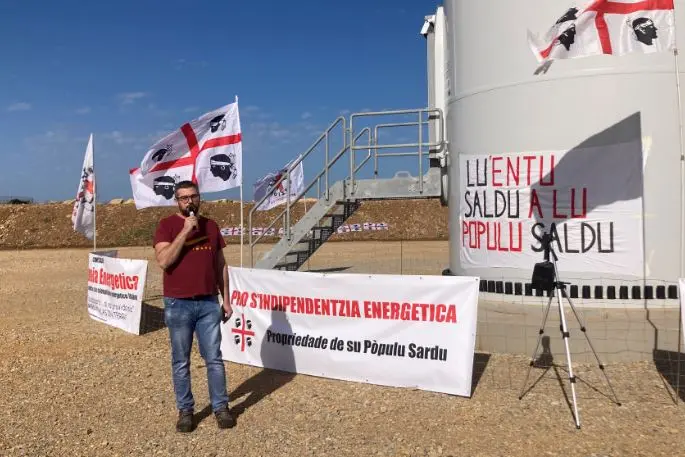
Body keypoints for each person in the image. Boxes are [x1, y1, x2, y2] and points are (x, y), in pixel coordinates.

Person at [153, 180, 235, 432]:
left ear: (200, 198)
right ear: (176, 201)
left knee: (214, 359)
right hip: (179, 304)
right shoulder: (166, 226)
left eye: (193, 196)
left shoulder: (212, 226)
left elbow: (220, 264)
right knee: (181, 360)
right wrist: (185, 231)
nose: (190, 201)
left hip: (209, 302)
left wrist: (227, 299)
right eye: (184, 198)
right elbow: (164, 261)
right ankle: (186, 410)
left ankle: (221, 407)